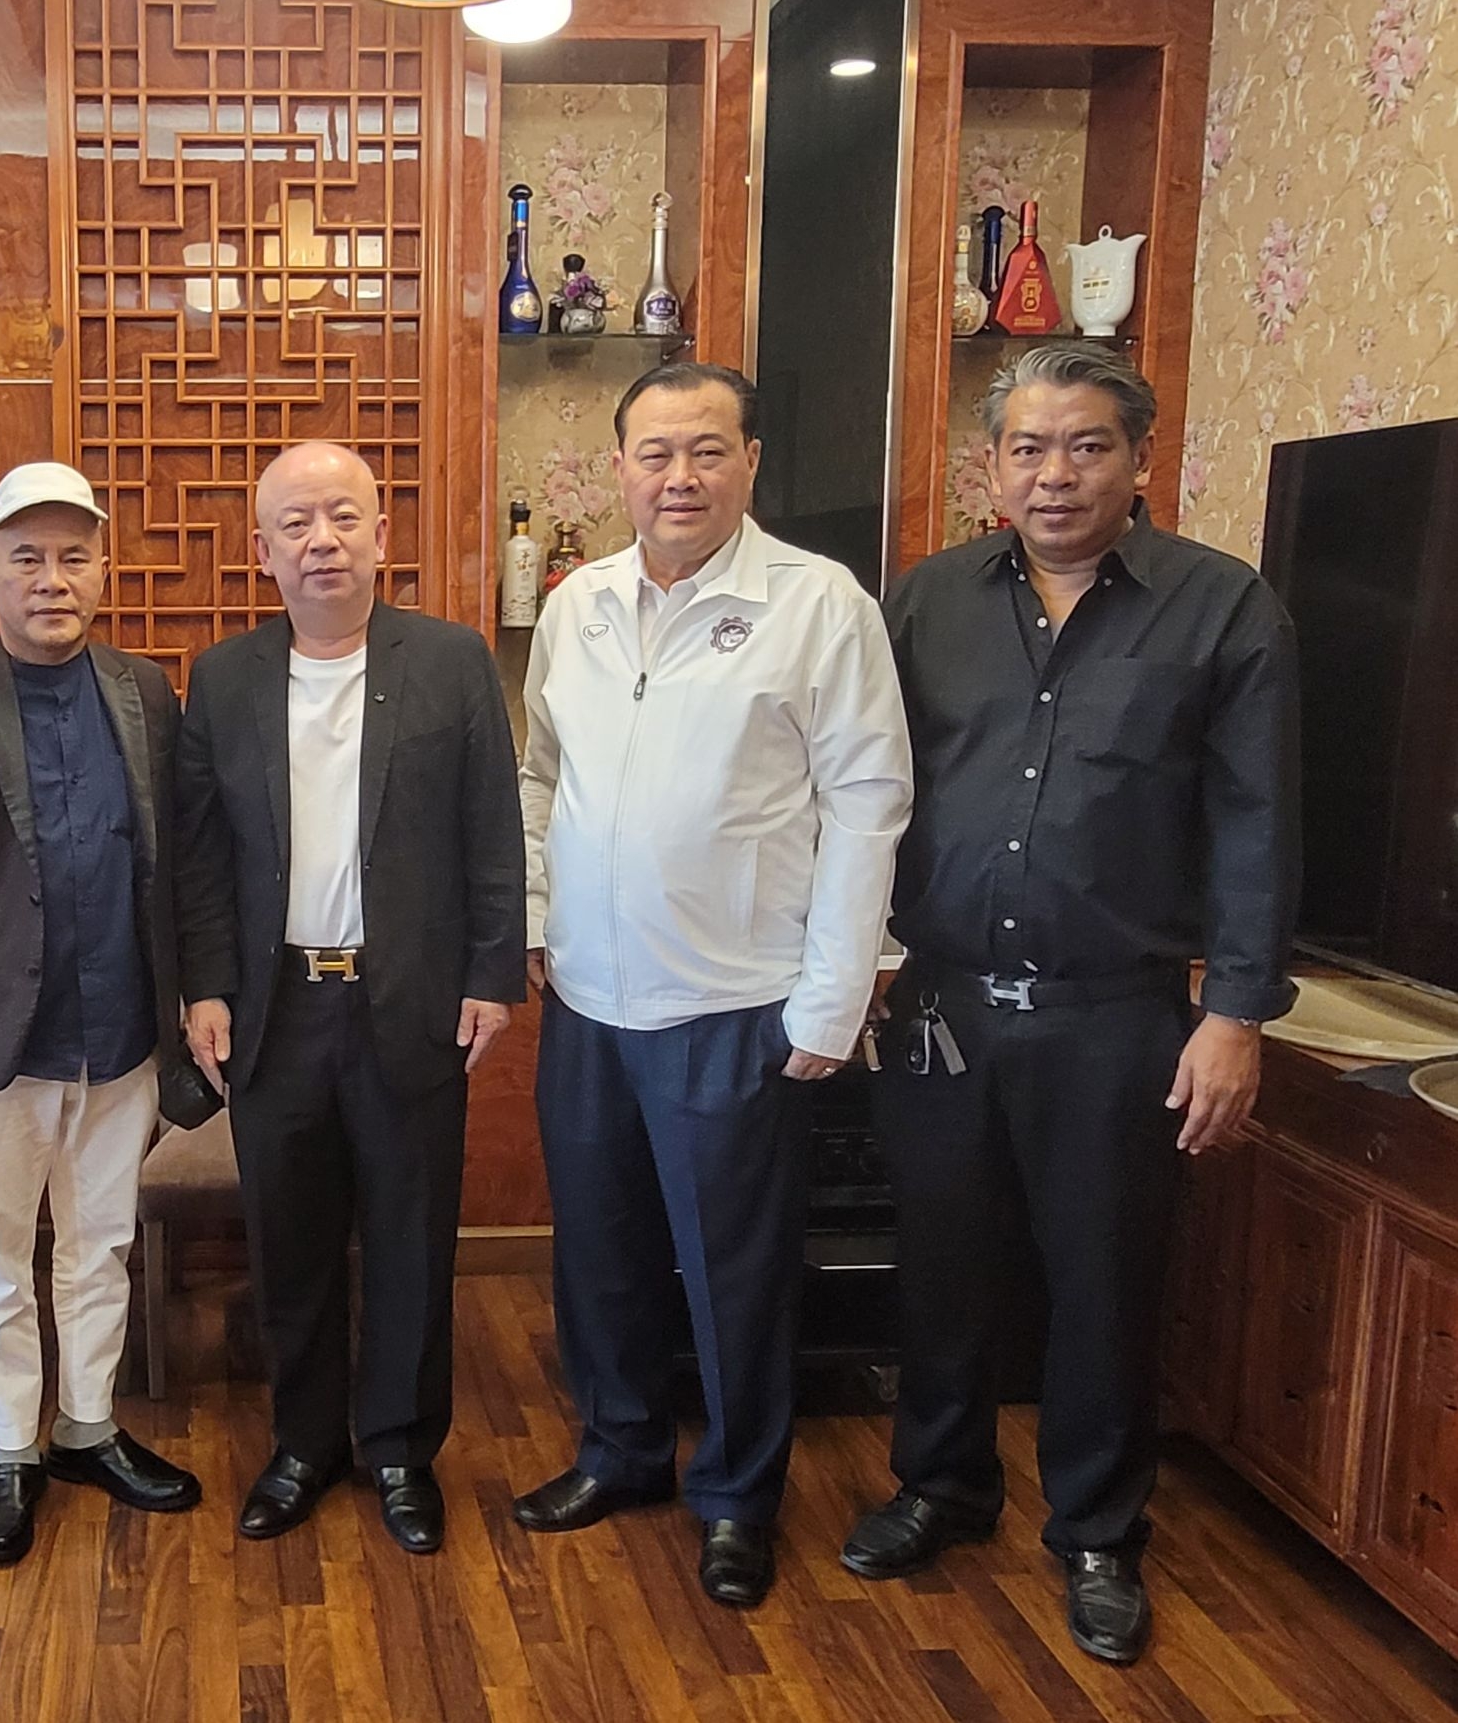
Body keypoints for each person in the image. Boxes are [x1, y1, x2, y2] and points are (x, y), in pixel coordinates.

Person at [846, 341, 1299, 1665]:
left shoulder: (1224, 610)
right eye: (1029, 448)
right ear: (992, 465)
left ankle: (1098, 1533)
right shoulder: (926, 603)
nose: (1056, 474)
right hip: (942, 1006)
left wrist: (1237, 1015)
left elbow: (1259, 823)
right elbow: (863, 791)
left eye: (1088, 446)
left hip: (1118, 1016)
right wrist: (843, 964)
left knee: (1103, 1280)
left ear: (1139, 460)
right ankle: (943, 1484)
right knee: (941, 1265)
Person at [513, 362, 912, 1609]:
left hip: (734, 1005)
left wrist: (833, 997)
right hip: (588, 1000)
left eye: (705, 451)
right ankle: (621, 1451)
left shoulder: (819, 605)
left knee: (734, 1272)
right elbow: (540, 778)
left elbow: (868, 805)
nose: (677, 477)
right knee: (600, 1253)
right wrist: (535, 918)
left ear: (750, 463)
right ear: (618, 469)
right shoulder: (578, 605)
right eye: (654, 453)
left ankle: (738, 1496)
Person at [176, 441, 524, 1555]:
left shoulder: (452, 661)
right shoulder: (224, 677)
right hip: (275, 1008)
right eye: (296, 523)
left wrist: (493, 975)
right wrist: (205, 985)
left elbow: (493, 829)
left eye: (342, 517)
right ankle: (303, 1443)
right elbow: (200, 854)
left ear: (383, 533)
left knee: (412, 1238)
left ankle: (402, 1450)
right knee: (291, 1241)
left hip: (410, 1000)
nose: (321, 540)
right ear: (261, 549)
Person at [0, 461, 202, 1565]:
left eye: (73, 557)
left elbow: (174, 861)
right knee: (0, 1258)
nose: (52, 579)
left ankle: (87, 1427)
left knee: (101, 1245)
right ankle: (11, 1449)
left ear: (103, 568)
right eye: (27, 559)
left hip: (121, 1029)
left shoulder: (144, 692)